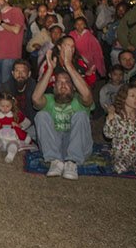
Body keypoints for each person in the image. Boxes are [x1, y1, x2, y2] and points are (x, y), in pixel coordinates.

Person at [32, 49, 94, 180]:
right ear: (54, 86)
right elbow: (36, 99)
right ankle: (55, 161)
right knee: (41, 115)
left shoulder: (79, 99)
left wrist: (68, 64)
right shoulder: (49, 99)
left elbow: (88, 95)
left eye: (67, 82)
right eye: (59, 82)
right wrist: (49, 70)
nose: (63, 85)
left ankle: (72, 162)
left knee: (81, 115)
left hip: (79, 146)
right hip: (55, 146)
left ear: (73, 87)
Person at [0, 93, 32, 163]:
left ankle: (11, 154)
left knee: (13, 145)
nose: (5, 108)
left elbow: (27, 122)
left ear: (12, 105)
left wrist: (20, 125)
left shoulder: (16, 114)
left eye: (8, 106)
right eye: (2, 106)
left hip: (12, 139)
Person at [0, 59, 37, 124]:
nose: (20, 74)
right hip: (12, 124)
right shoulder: (5, 88)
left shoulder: (35, 87)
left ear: (29, 74)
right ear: (12, 73)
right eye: (17, 71)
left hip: (32, 124)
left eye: (23, 71)